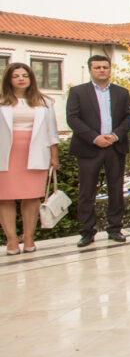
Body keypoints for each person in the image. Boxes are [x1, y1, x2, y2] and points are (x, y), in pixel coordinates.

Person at [66, 55, 130, 247]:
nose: (102, 70)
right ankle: (87, 232)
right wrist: (95, 137)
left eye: (105, 67)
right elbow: (73, 118)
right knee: (86, 192)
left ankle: (115, 228)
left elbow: (129, 117)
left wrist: (115, 135)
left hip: (115, 146)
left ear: (110, 69)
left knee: (116, 189)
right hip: (89, 147)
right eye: (97, 67)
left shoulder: (122, 92)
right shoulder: (78, 92)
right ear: (90, 70)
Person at [0, 64, 59, 254]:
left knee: (32, 197)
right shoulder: (2, 100)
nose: (21, 79)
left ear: (31, 78)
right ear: (9, 80)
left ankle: (29, 238)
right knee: (5, 197)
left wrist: (54, 156)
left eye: (24, 75)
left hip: (35, 152)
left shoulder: (44, 101)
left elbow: (52, 131)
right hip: (6, 154)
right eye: (16, 76)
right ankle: (11, 240)